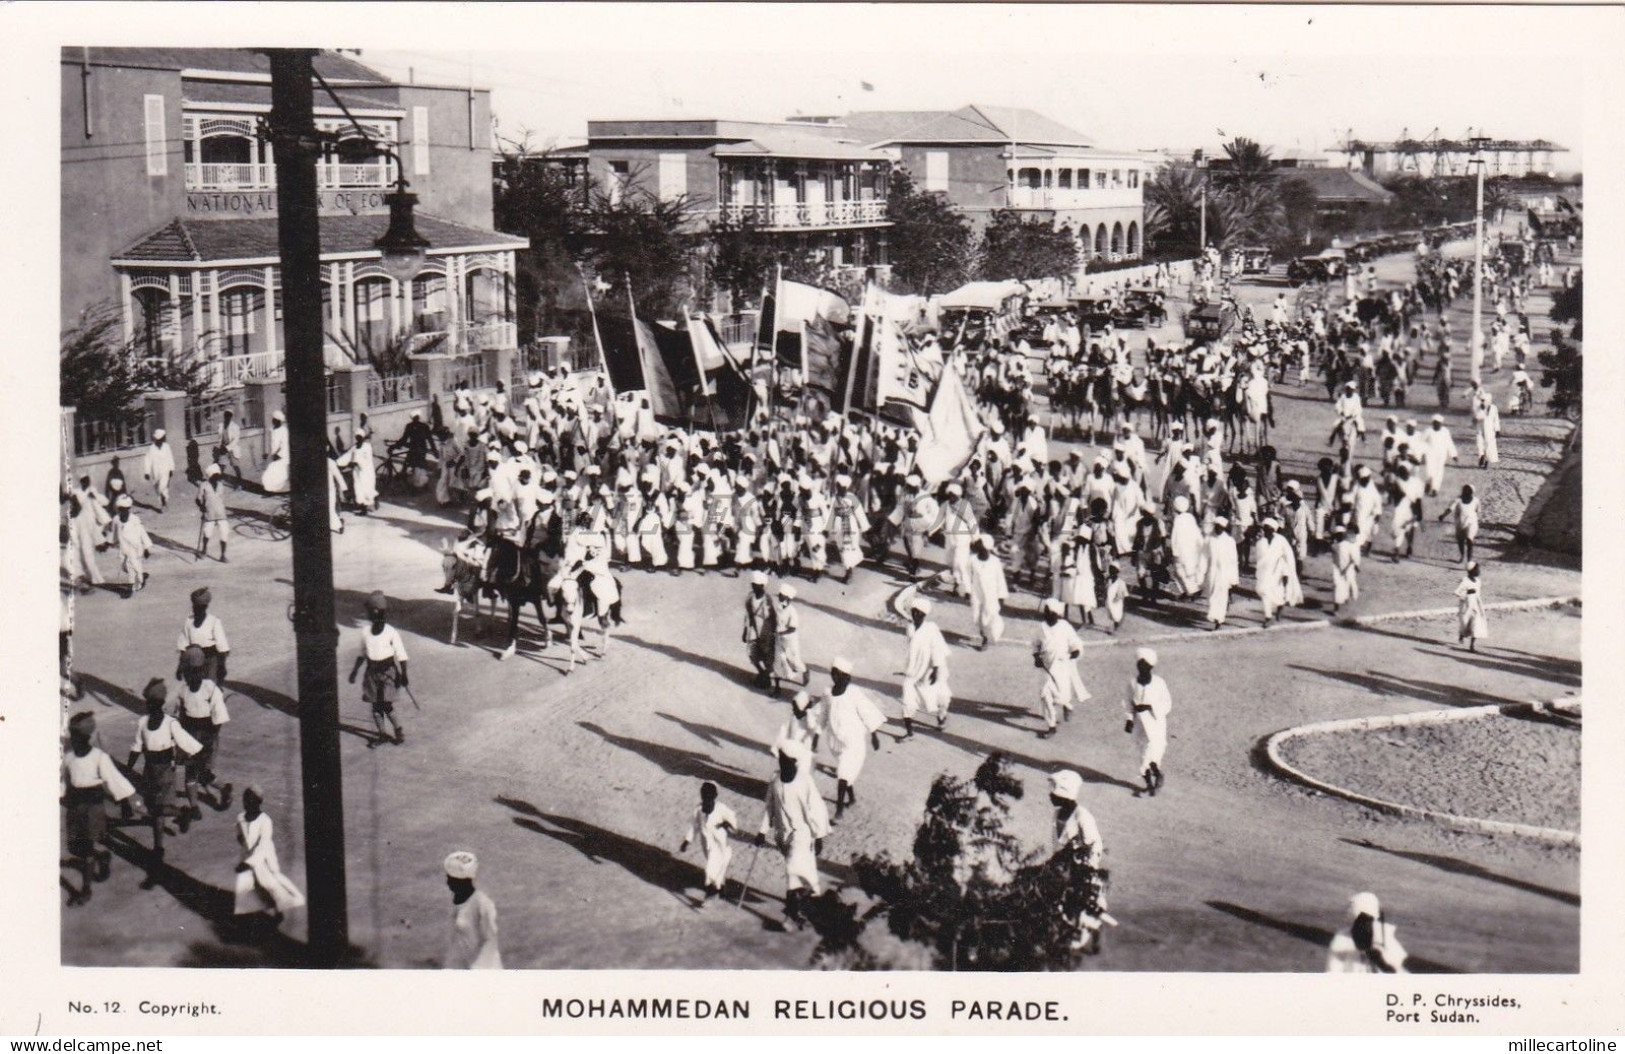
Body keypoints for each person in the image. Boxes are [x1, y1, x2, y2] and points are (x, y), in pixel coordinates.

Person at [127, 677, 203, 874]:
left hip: (165, 773)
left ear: (157, 704)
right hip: (149, 771)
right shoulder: (142, 722)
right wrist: (129, 768)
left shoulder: (171, 724)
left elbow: (188, 744)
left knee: (159, 810)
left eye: (150, 703)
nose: (147, 706)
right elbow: (137, 747)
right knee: (155, 810)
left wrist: (192, 759)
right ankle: (164, 838)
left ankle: (159, 846)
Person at [62, 711, 136, 904]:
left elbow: (113, 779)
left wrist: (124, 802)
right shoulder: (68, 757)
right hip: (75, 807)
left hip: (93, 807)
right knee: (75, 847)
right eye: (72, 734)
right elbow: (64, 780)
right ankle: (101, 856)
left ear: (86, 737)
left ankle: (85, 890)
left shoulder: (99, 757)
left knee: (85, 847)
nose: (73, 738)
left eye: (76, 735)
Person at [756, 739, 831, 930]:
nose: (781, 762)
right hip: (782, 835)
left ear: (794, 761)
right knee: (802, 873)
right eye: (780, 758)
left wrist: (819, 836)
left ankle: (790, 916)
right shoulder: (774, 779)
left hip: (802, 835)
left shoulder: (805, 781)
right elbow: (769, 806)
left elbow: (817, 810)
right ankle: (811, 905)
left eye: (785, 759)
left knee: (792, 870)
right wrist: (762, 831)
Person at [823, 656, 887, 819]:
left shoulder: (854, 693)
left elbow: (867, 711)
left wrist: (874, 734)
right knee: (846, 772)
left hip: (854, 741)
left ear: (846, 677)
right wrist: (815, 734)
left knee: (843, 772)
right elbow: (822, 713)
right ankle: (851, 799)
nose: (837, 678)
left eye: (840, 675)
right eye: (834, 674)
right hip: (835, 741)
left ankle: (839, 811)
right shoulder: (828, 694)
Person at [233, 786, 306, 925]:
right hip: (247, 854)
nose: (246, 803)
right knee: (245, 882)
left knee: (269, 882)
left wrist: (249, 863)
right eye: (245, 800)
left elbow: (263, 845)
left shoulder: (265, 821)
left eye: (250, 800)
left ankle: (279, 909)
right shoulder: (241, 817)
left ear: (258, 802)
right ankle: (244, 913)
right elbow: (238, 832)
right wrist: (241, 842)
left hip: (264, 857)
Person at [175, 645, 233, 822]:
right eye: (188, 672)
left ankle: (223, 787)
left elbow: (219, 718)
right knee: (191, 772)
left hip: (207, 734)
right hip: (189, 735)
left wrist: (208, 740)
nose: (192, 676)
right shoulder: (183, 691)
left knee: (202, 773)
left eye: (196, 672)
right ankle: (194, 807)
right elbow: (181, 715)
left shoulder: (211, 689)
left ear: (203, 671)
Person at [348, 591, 408, 746]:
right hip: (372, 674)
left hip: (388, 673)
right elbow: (362, 654)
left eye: (370, 611)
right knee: (376, 706)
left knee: (386, 705)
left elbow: (401, 654)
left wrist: (404, 674)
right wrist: (354, 671)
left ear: (376, 612)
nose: (369, 614)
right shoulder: (365, 632)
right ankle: (382, 734)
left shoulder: (390, 632)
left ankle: (398, 729)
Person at [1032, 597, 1088, 739]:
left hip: (1062, 665)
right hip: (1046, 666)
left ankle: (1067, 705)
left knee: (1061, 695)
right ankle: (1052, 726)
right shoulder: (1041, 627)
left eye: (1048, 611)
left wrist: (1076, 651)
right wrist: (1036, 657)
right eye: (1045, 610)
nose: (1045, 613)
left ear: (1055, 613)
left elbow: (1076, 643)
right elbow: (1035, 644)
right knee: (1045, 693)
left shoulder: (1064, 626)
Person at [440, 850, 502, 968]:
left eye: (452, 880)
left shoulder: (482, 904)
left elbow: (490, 941)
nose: (448, 883)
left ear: (465, 882)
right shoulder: (457, 901)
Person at [679, 781, 739, 904]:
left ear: (714, 797)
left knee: (712, 869)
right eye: (703, 796)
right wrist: (687, 840)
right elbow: (694, 826)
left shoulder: (721, 809)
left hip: (720, 845)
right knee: (715, 867)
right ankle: (721, 889)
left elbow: (735, 828)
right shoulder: (699, 809)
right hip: (706, 845)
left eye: (708, 796)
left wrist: (727, 825)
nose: (705, 799)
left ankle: (711, 893)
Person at [1123, 647, 1172, 796]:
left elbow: (1167, 703)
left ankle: (1154, 779)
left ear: (1151, 667)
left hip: (1155, 723)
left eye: (1146, 666)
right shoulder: (1132, 683)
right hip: (1140, 724)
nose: (1142, 669)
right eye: (1140, 665)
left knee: (1151, 753)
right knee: (1142, 752)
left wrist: (1150, 707)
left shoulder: (1159, 683)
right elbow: (1128, 701)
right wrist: (1129, 719)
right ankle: (1151, 783)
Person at [900, 597, 951, 736]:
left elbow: (937, 649)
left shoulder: (931, 628)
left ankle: (942, 715)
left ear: (924, 614)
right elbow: (910, 649)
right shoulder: (910, 628)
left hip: (930, 669)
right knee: (908, 700)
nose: (915, 614)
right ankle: (909, 733)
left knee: (939, 695)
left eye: (919, 612)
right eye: (913, 611)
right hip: (913, 671)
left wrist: (936, 669)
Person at [1326, 891, 1407, 973]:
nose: (1364, 928)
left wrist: (1381, 963)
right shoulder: (1341, 940)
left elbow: (1400, 976)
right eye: (1359, 923)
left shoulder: (1387, 941)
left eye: (1368, 921)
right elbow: (1332, 972)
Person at [1254, 517, 1302, 627]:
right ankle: (1268, 617)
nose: (1266, 531)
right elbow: (1259, 559)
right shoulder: (1260, 543)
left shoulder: (1280, 540)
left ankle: (1280, 606)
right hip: (1264, 573)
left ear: (1273, 529)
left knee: (1277, 592)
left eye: (1268, 529)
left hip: (1278, 570)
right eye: (1264, 529)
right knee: (1264, 591)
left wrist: (1287, 570)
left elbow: (1288, 555)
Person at [176, 587, 231, 683]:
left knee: (209, 685)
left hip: (210, 659)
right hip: (192, 661)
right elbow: (183, 645)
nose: (194, 609)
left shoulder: (214, 621)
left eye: (198, 607)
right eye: (194, 606)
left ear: (205, 607)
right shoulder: (188, 621)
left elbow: (222, 647)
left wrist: (222, 667)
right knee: (194, 687)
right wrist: (180, 667)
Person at [966, 533, 1009, 650]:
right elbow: (968, 576)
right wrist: (967, 590)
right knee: (976, 617)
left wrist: (1001, 597)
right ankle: (984, 635)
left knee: (989, 616)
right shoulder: (972, 560)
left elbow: (1000, 580)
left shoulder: (995, 562)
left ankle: (986, 639)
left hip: (991, 594)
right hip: (976, 593)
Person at [104, 494, 152, 597]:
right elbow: (113, 532)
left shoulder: (135, 519)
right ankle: (139, 578)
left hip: (135, 548)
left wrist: (147, 547)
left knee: (132, 566)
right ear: (118, 509)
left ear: (129, 509)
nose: (124, 511)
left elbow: (142, 532)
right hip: (123, 548)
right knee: (125, 567)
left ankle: (130, 588)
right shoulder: (116, 519)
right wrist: (108, 542)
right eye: (121, 509)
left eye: (126, 509)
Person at [743, 571, 777, 690]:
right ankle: (761, 672)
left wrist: (773, 631)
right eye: (753, 584)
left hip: (765, 629)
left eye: (756, 585)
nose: (753, 587)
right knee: (751, 652)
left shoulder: (767, 599)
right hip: (753, 627)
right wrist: (745, 629)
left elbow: (772, 616)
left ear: (762, 586)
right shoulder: (750, 597)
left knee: (767, 654)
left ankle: (767, 677)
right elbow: (747, 614)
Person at [1204, 516, 1239, 630]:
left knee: (1221, 595)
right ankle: (1215, 614)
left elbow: (1233, 561)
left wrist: (1234, 579)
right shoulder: (1209, 539)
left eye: (1220, 527)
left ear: (1224, 528)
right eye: (1216, 526)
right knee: (1211, 594)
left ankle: (1219, 619)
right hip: (1212, 571)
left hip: (1224, 573)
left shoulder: (1229, 541)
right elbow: (1203, 556)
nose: (1218, 529)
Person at [771, 583, 808, 693]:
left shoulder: (792, 611)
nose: (779, 596)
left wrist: (780, 633)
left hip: (790, 641)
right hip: (779, 640)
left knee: (794, 661)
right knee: (777, 662)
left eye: (782, 595)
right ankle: (777, 688)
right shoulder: (778, 607)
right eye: (779, 594)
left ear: (788, 597)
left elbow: (792, 628)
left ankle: (805, 671)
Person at [1439, 484, 1481, 566]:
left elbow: (1477, 511)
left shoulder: (1476, 501)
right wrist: (1443, 515)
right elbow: (1450, 509)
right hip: (1460, 524)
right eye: (1465, 492)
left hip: (1472, 523)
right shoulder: (1457, 500)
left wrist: (1473, 519)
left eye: (1468, 492)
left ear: (1472, 493)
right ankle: (1462, 555)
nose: (1466, 494)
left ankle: (1469, 561)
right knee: (1460, 541)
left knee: (1469, 540)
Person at [196, 463, 230, 562]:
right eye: (215, 475)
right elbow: (198, 499)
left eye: (218, 475)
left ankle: (223, 555)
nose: (217, 477)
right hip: (209, 513)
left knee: (224, 533)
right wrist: (201, 506)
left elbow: (221, 499)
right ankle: (204, 550)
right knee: (207, 533)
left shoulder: (220, 485)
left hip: (221, 513)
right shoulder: (203, 485)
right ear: (210, 475)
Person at [1455, 562, 1488, 652]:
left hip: (1476, 605)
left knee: (1476, 623)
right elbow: (1457, 592)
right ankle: (1462, 634)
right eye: (1477, 569)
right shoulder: (1465, 581)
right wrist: (1467, 593)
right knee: (1465, 623)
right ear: (1471, 571)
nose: (1479, 571)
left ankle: (1472, 646)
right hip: (1467, 605)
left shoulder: (1478, 581)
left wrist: (1479, 605)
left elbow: (1478, 594)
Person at [141, 428, 176, 510]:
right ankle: (162, 503)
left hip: (165, 470)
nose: (164, 438)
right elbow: (148, 460)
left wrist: (171, 468)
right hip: (155, 471)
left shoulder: (166, 446)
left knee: (163, 486)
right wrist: (147, 472)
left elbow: (170, 457)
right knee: (157, 487)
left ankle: (164, 500)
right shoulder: (152, 448)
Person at [1330, 525, 1361, 615]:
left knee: (1346, 585)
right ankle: (1336, 609)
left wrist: (1350, 568)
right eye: (1337, 535)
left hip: (1347, 569)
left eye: (1340, 534)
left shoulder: (1348, 545)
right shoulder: (1334, 546)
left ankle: (1345, 601)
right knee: (1337, 586)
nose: (1338, 536)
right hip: (1336, 568)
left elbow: (1352, 559)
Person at [261, 410, 291, 494]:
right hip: (272, 455)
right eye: (273, 420)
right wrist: (266, 452)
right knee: (270, 473)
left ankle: (273, 490)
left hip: (281, 456)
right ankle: (270, 490)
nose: (273, 421)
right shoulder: (271, 430)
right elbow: (269, 442)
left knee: (278, 473)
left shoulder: (284, 430)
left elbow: (285, 444)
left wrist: (278, 454)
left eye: (275, 420)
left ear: (279, 421)